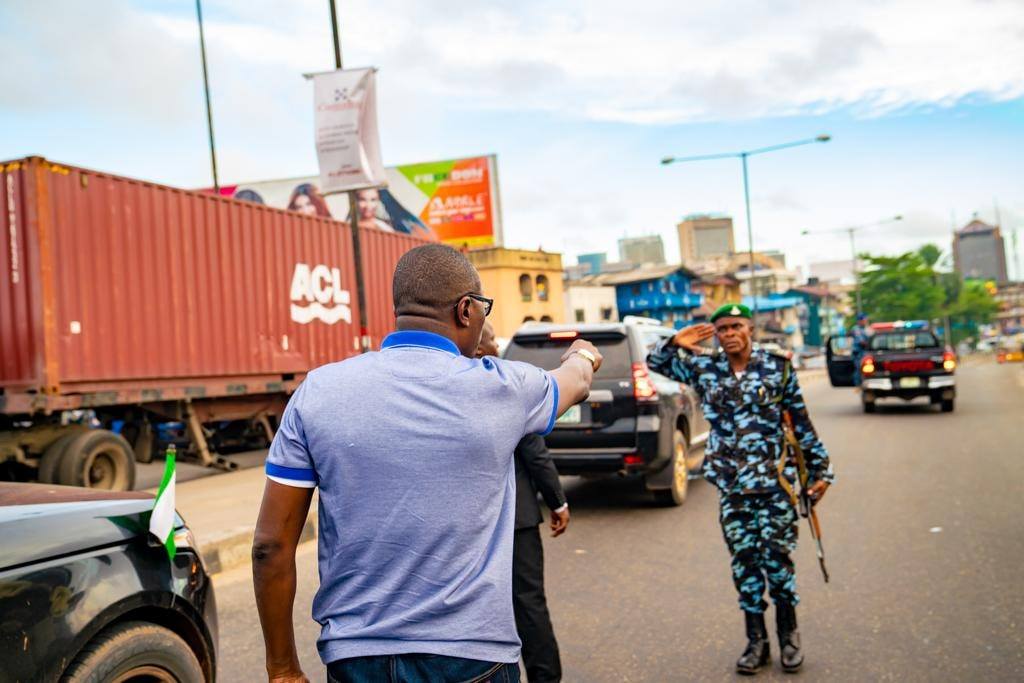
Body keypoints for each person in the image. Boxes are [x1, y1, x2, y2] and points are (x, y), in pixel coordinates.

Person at [252, 243, 602, 683]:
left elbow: (270, 546)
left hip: (357, 658)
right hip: (473, 656)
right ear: (466, 310)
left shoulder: (318, 392)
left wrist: (282, 668)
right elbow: (578, 382)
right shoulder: (503, 388)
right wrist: (582, 354)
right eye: (483, 309)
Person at [647, 303, 834, 675]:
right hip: (733, 489)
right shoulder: (706, 366)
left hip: (775, 485)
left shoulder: (777, 367)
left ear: (750, 328)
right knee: (744, 565)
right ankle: (756, 643)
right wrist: (676, 341)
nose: (729, 333)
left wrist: (821, 471)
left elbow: (800, 420)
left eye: (736, 326)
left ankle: (789, 637)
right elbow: (657, 364)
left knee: (778, 564)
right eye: (722, 329)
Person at [476, 322, 569, 683]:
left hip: (474, 523)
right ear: (481, 347)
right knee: (528, 602)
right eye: (493, 341)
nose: (498, 347)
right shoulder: (506, 388)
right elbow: (535, 454)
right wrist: (558, 502)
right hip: (517, 520)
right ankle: (545, 677)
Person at [851, 313, 871, 386]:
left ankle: (865, 383)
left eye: (866, 320)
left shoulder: (866, 328)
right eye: (864, 320)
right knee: (859, 368)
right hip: (858, 352)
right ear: (859, 321)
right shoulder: (856, 329)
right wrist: (870, 344)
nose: (865, 321)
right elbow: (861, 341)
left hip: (866, 352)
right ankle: (858, 385)